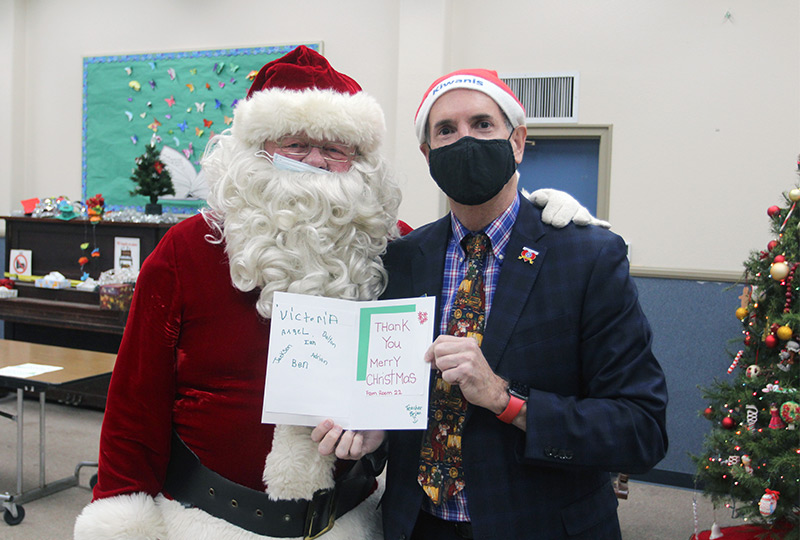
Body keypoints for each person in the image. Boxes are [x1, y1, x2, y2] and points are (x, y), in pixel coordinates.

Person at [74, 48, 592, 540]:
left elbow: (473, 257)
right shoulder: (190, 248)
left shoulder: (394, 245)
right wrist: (120, 510)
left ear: (360, 162)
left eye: (335, 149)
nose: (316, 163)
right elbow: (135, 399)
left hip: (351, 517)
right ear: (256, 152)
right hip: (211, 519)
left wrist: (540, 219)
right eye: (296, 146)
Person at [315, 69, 668, 540]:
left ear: (517, 141)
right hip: (416, 525)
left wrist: (507, 400)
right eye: (446, 130)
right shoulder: (401, 260)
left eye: (482, 124)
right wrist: (375, 435)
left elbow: (641, 431)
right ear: (428, 154)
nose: (464, 141)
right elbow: (395, 394)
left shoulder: (589, 258)